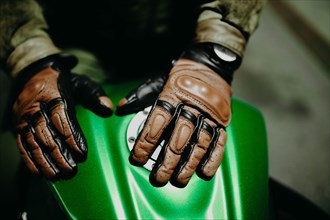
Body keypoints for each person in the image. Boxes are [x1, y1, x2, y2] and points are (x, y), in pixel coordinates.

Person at [0, 0, 266, 188]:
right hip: (72, 30)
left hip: (180, 33)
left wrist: (214, 55)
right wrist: (29, 55)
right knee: (54, 139)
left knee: (191, 142)